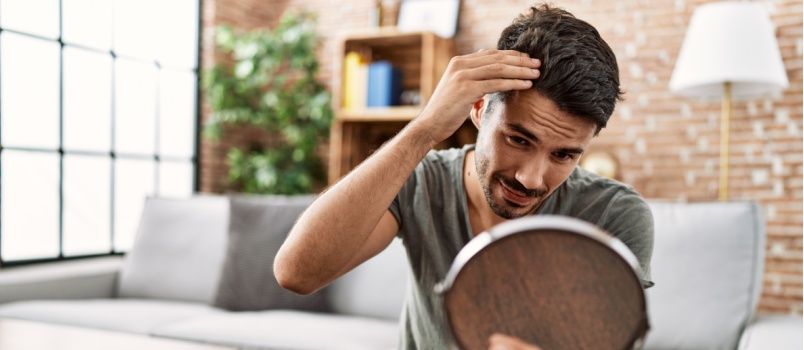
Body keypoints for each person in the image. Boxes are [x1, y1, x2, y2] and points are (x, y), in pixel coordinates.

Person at [275, 3, 654, 350]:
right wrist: (423, 130)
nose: (532, 178)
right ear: (478, 109)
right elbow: (297, 273)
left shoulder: (613, 214)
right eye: (518, 139)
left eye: (564, 154)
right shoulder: (422, 181)